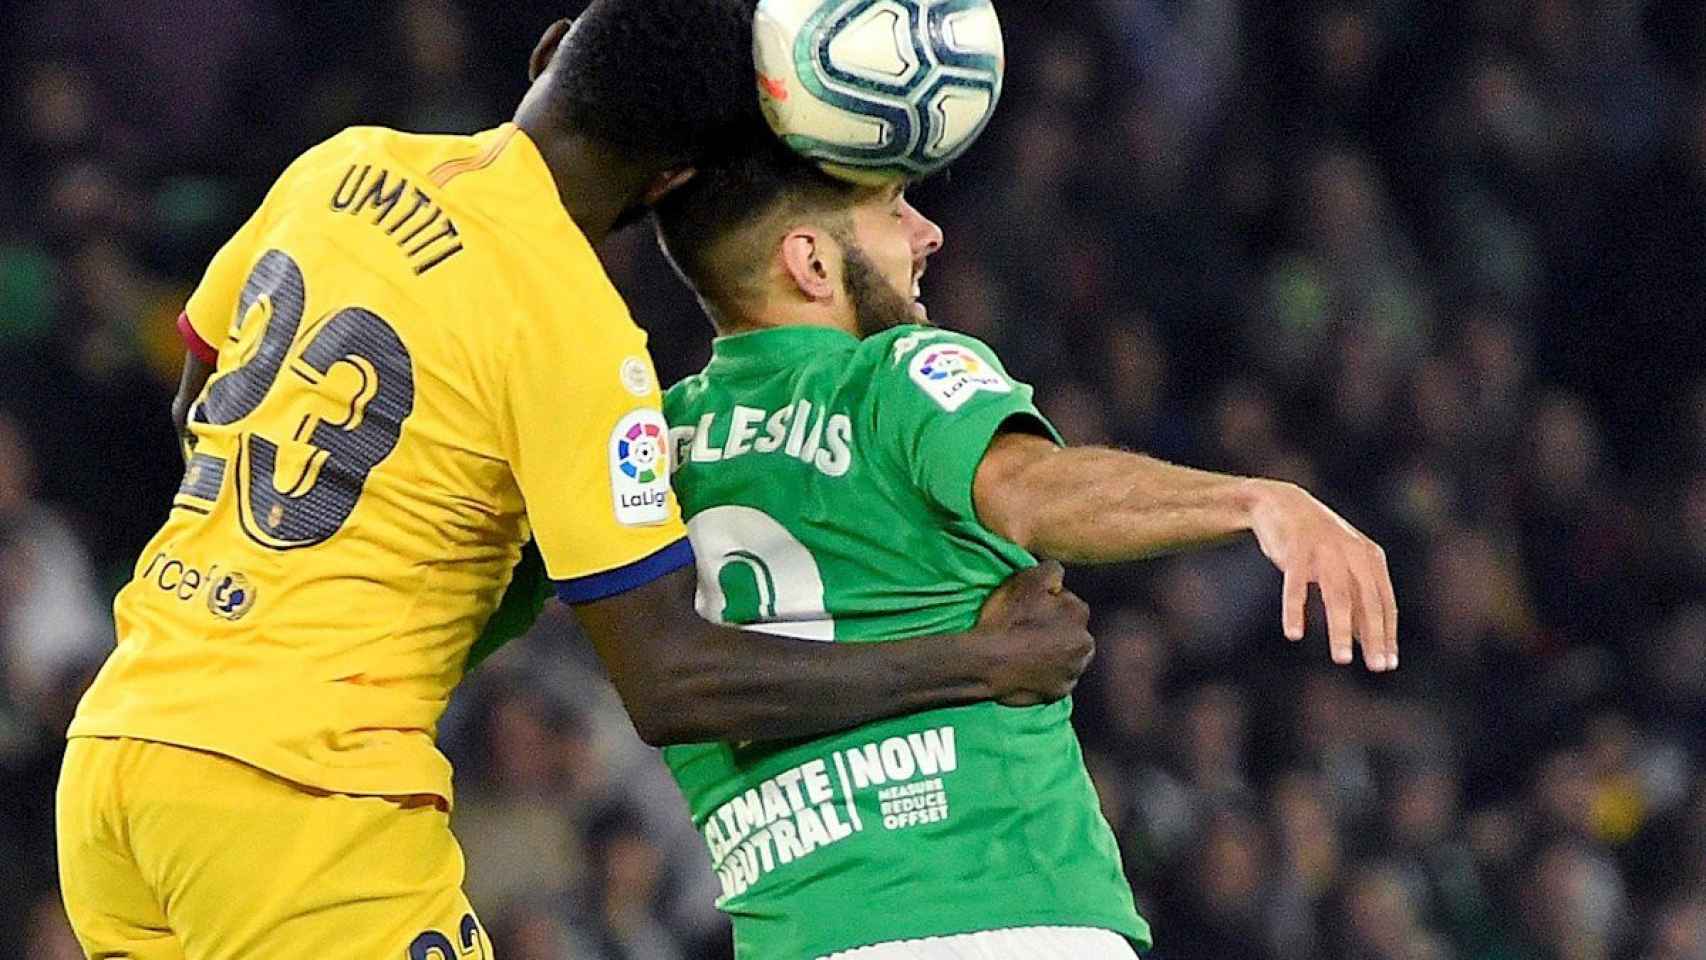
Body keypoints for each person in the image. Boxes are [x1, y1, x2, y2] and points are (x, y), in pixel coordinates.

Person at [54, 5, 1097, 958]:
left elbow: (201, 385)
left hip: (119, 750)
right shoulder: (575, 336)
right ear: (671, 182)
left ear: (551, 48)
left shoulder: (344, 165)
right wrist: (976, 662)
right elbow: (670, 678)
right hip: (298, 791)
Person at [646, 140, 1400, 958]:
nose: (929, 233)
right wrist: (1253, 500)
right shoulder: (893, 373)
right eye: (895, 211)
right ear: (812, 264)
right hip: (1008, 912)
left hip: (799, 934)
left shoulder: (648, 444)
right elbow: (1030, 490)